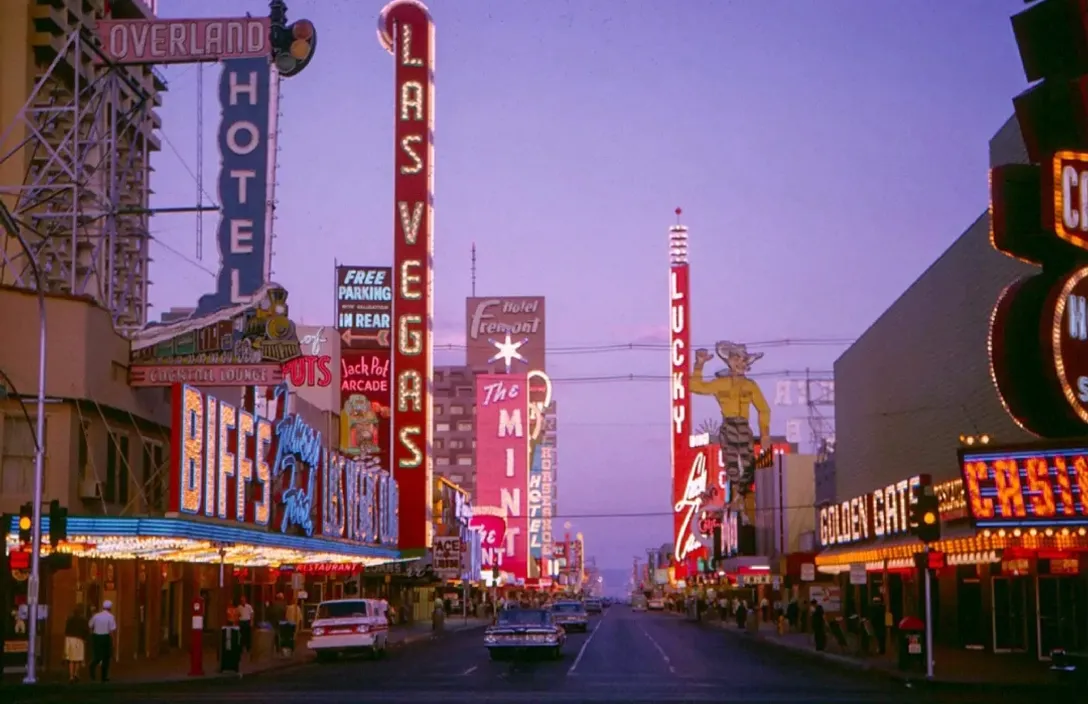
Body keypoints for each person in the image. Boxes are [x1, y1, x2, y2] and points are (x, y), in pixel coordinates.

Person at [88, 600, 117, 682]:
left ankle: (92, 670)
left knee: (97, 656)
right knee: (106, 658)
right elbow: (112, 630)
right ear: (110, 608)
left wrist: (92, 635)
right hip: (105, 637)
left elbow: (90, 625)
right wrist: (114, 641)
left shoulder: (96, 616)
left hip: (96, 637)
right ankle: (104, 677)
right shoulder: (111, 617)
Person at [64, 604, 89, 683]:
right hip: (79, 639)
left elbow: (66, 631)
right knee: (78, 659)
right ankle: (76, 673)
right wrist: (85, 639)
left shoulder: (69, 620)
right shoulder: (83, 620)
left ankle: (71, 676)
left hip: (69, 639)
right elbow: (86, 631)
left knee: (71, 659)